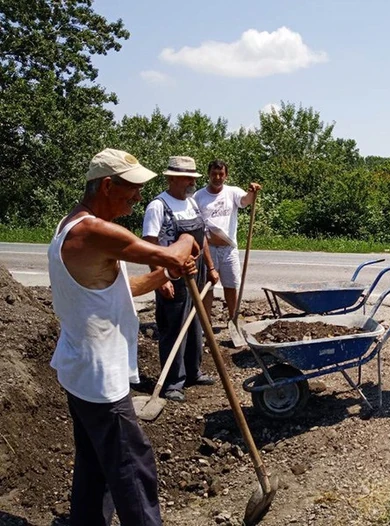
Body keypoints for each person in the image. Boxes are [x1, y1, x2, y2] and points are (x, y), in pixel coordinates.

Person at [48, 148, 199, 525]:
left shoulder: (70, 226)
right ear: (106, 185)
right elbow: (176, 254)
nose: (136, 199)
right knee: (133, 465)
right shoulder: (95, 230)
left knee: (94, 465)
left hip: (79, 367)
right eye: (130, 190)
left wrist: (164, 275)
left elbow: (113, 288)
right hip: (100, 377)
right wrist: (185, 241)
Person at [142, 156, 219, 402]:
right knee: (174, 328)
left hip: (197, 271)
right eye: (186, 178)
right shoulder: (158, 206)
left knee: (196, 323)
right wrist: (160, 278)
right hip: (171, 273)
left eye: (192, 178)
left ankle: (193, 372)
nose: (190, 183)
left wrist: (210, 265)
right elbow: (150, 245)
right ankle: (173, 382)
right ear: (172, 178)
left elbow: (203, 238)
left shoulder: (191, 204)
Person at [193, 159, 261, 323]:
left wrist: (252, 192)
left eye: (221, 174)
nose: (217, 177)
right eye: (214, 174)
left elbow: (246, 201)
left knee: (231, 286)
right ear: (208, 175)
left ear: (226, 175)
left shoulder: (232, 192)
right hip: (208, 249)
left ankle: (234, 320)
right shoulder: (198, 196)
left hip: (229, 249)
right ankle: (206, 324)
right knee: (208, 287)